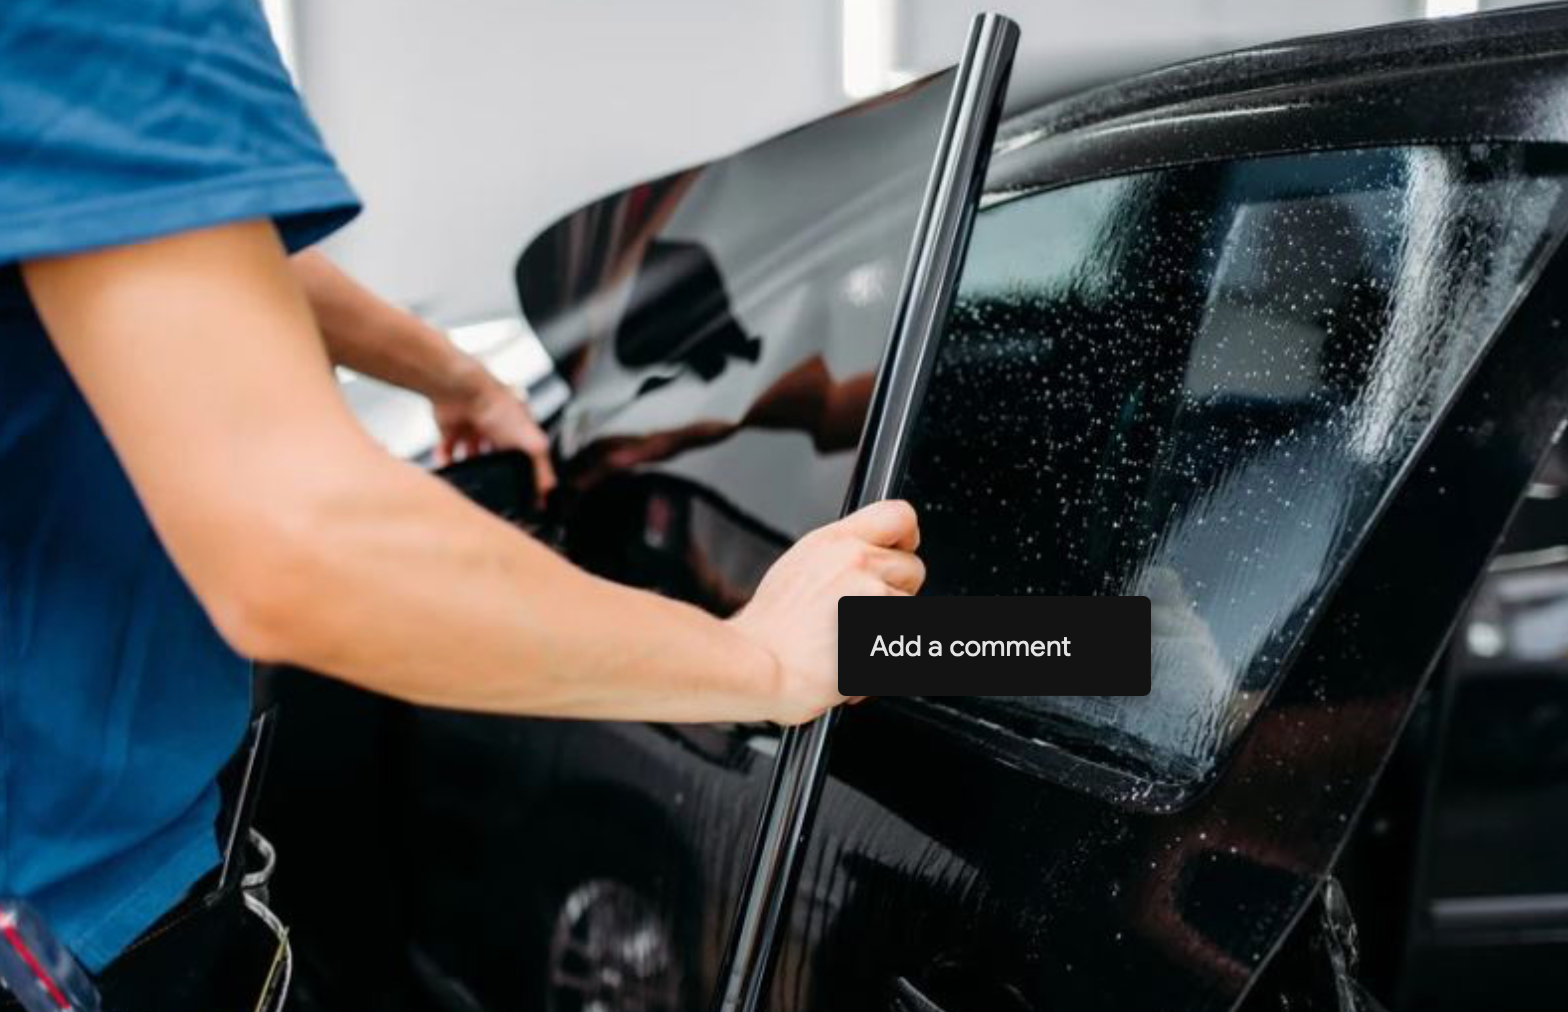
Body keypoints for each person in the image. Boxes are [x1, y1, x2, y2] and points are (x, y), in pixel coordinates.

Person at [0, 1, 924, 1007]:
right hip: (68, 942)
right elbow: (303, 545)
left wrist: (453, 377)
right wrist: (761, 661)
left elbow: (158, 235)